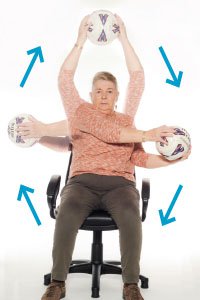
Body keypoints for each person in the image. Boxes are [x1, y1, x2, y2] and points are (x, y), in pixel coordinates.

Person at [18, 14, 190, 300]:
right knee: (67, 212)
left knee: (130, 214)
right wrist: (81, 40)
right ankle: (57, 283)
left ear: (116, 95)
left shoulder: (127, 121)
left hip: (120, 186)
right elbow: (64, 79)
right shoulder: (81, 113)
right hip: (82, 184)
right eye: (98, 91)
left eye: (109, 91)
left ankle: (130, 285)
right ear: (91, 94)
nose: (103, 95)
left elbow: (142, 157)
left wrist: (174, 160)